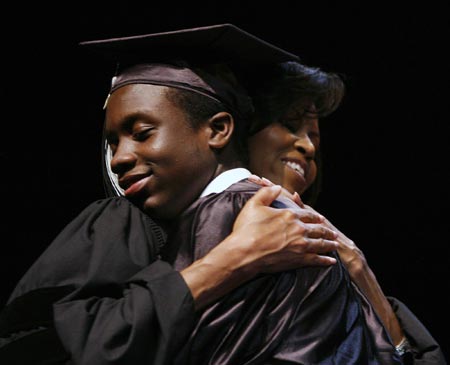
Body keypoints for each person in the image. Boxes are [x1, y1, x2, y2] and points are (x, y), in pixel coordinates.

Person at [0, 24, 340, 365]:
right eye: (113, 143)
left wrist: (358, 272)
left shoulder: (303, 237)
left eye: (142, 133)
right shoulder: (128, 221)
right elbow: (31, 345)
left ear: (220, 130)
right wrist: (232, 260)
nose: (119, 158)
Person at [244, 60, 447, 364]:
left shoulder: (327, 250)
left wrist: (361, 272)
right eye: (289, 124)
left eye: (314, 137)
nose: (309, 147)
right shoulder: (207, 223)